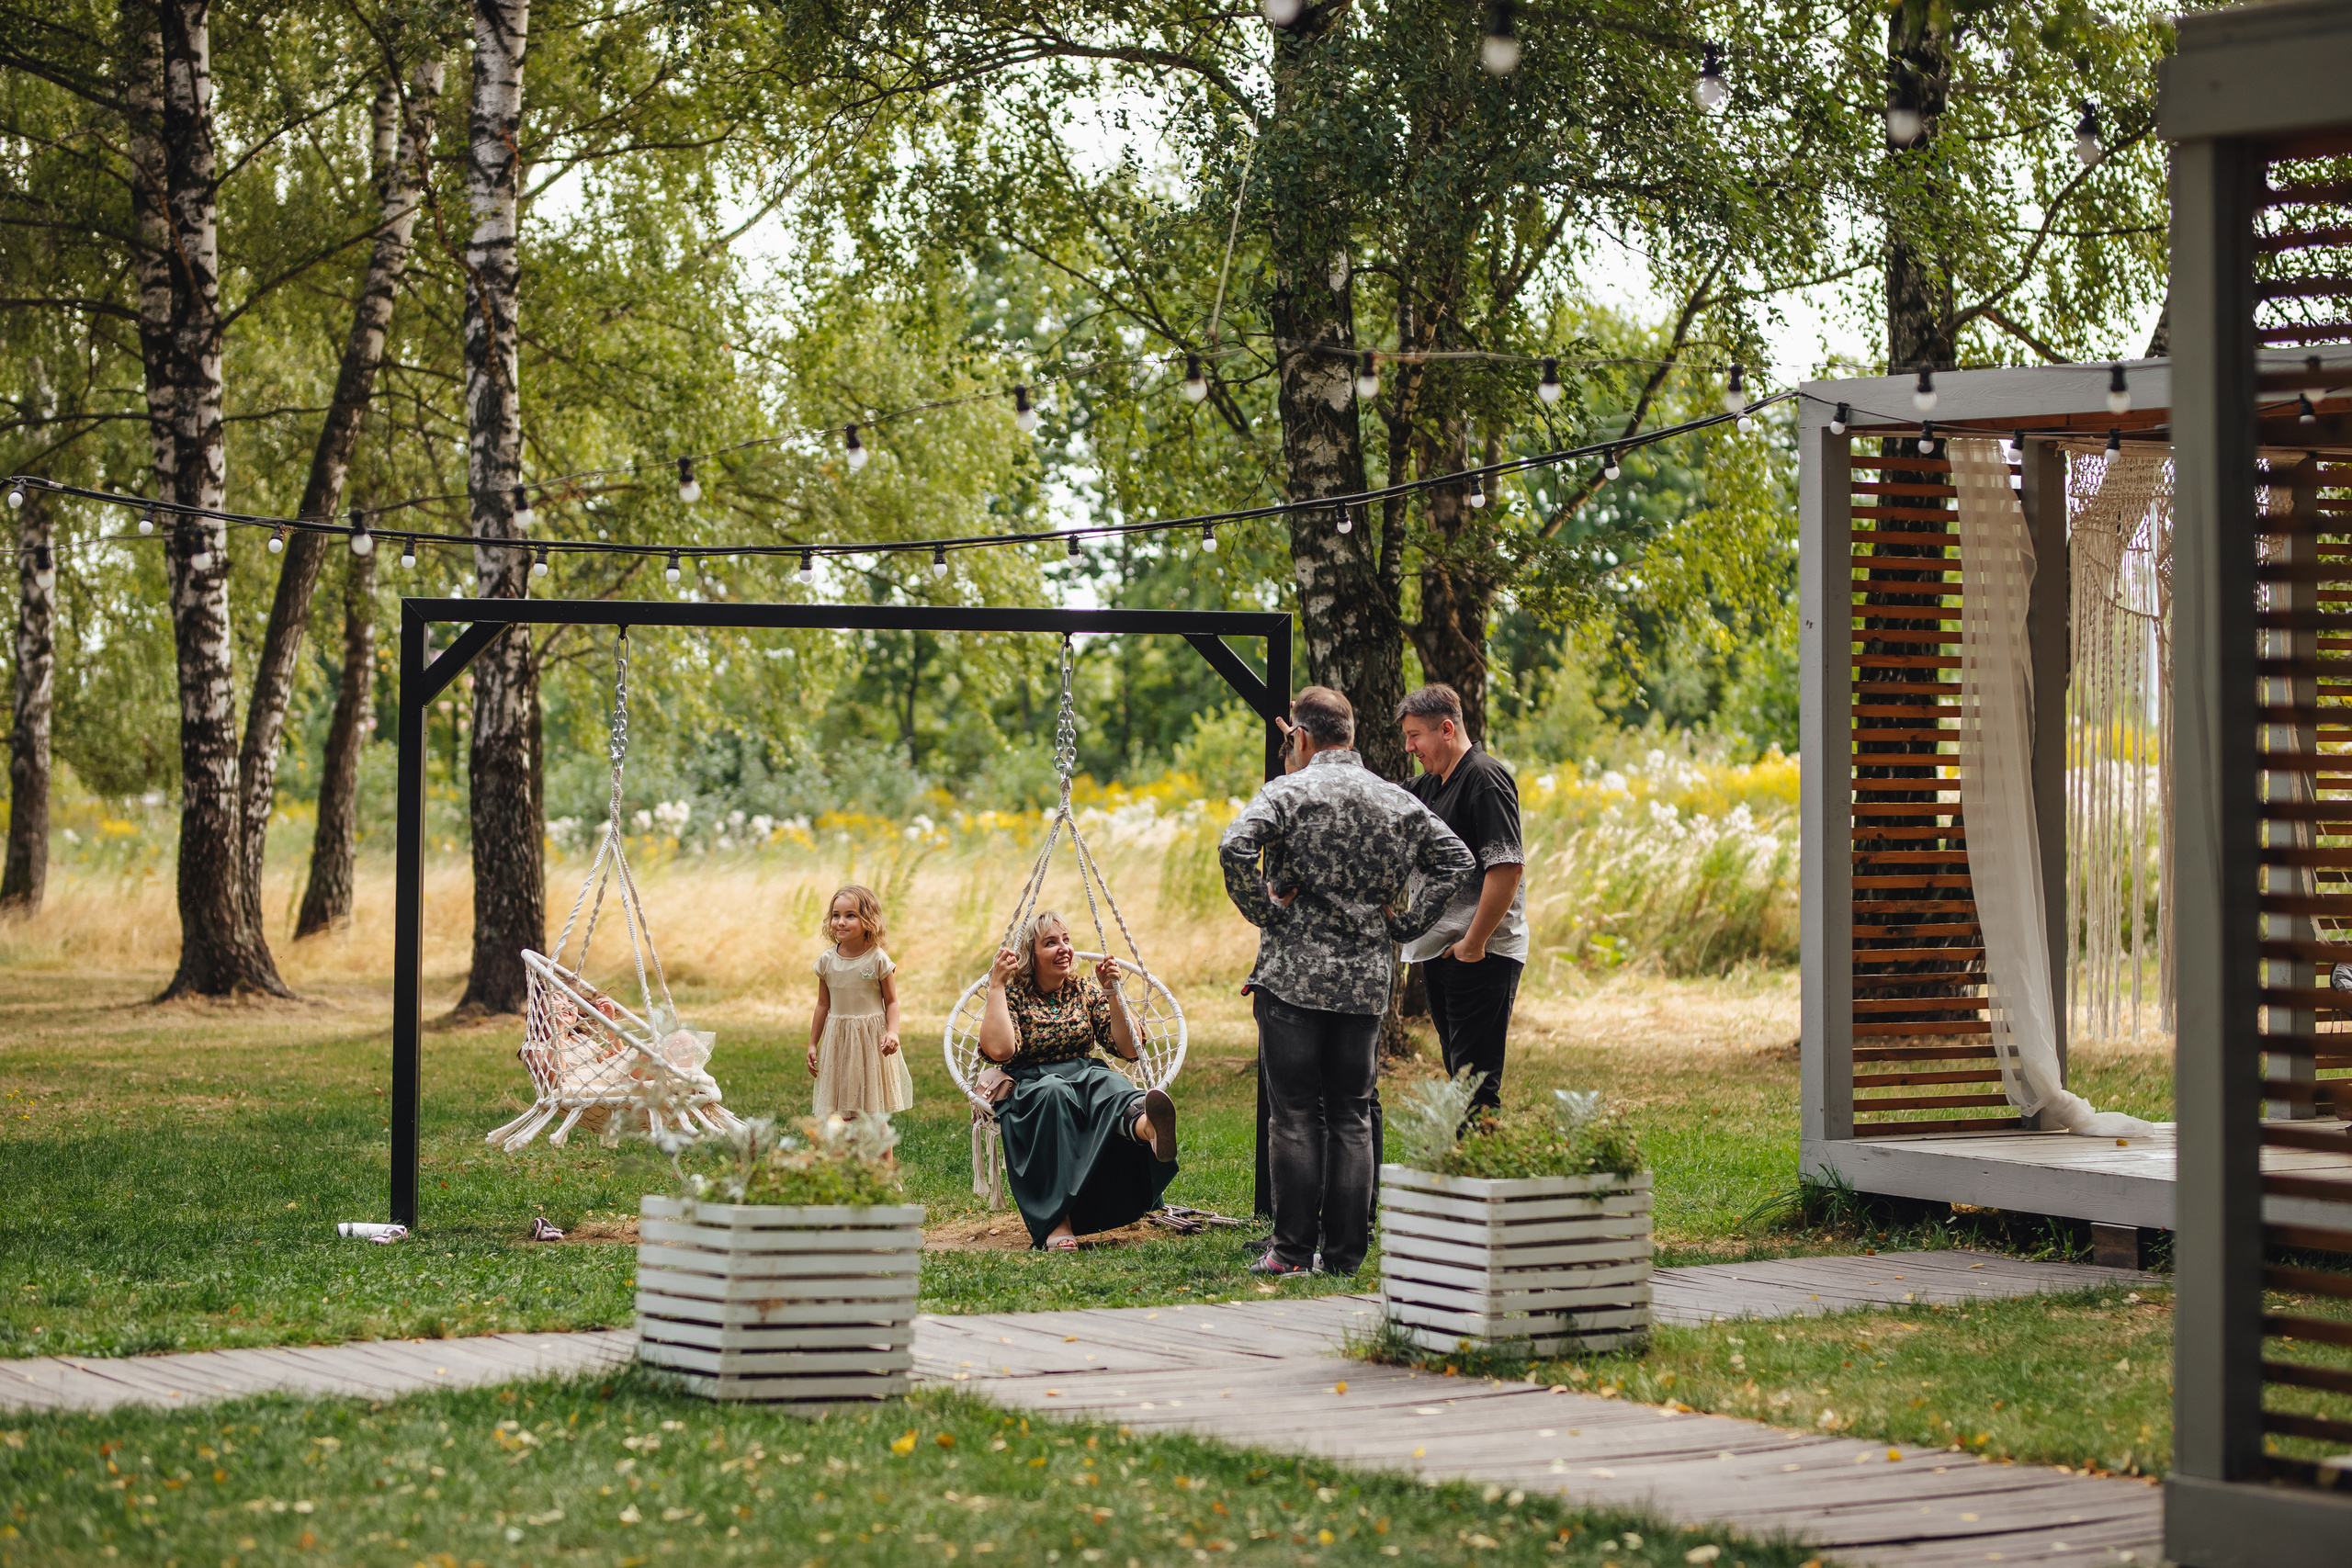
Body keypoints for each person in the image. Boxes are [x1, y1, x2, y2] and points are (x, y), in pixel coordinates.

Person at [1219, 685, 1476, 1278]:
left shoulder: (1288, 791)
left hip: (1293, 980)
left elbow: (1235, 846)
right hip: (1364, 984)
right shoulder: (1394, 800)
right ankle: (1344, 1256)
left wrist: (1265, 909)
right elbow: (1458, 860)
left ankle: (1289, 1252)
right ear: (1352, 735)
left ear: (1300, 737)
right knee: (1352, 1115)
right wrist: (1406, 922)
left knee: (1295, 1116)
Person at [977, 908, 1180, 1250]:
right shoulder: (1013, 996)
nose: (1064, 949)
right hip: (1034, 1086)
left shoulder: (1084, 990)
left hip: (1084, 1075)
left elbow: (1128, 1048)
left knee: (1110, 1083)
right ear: (1031, 955)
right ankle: (1057, 1222)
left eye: (1066, 940)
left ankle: (1150, 1129)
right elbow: (1000, 1050)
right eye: (1051, 943)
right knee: (1055, 1093)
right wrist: (996, 985)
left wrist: (1112, 991)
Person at [1397, 684, 1528, 1120]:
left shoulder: (1484, 779)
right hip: (1446, 952)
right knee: (1461, 1076)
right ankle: (1468, 1174)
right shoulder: (1431, 785)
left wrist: (1473, 944)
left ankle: (1481, 1180)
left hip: (1480, 954)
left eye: (1415, 735)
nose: (1409, 746)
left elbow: (1507, 867)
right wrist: (1310, 748)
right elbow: (1369, 794)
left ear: (1447, 729)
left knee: (1476, 1085)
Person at [808, 884, 913, 1119]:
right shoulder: (826, 960)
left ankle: (882, 1156)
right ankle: (849, 1154)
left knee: (873, 1114)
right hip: (839, 1039)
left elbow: (892, 1001)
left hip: (870, 1039)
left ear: (868, 920)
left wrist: (893, 1032)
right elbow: (823, 1005)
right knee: (841, 1111)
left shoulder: (877, 958)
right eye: (836, 915)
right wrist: (813, 1043)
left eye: (850, 915)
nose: (841, 922)